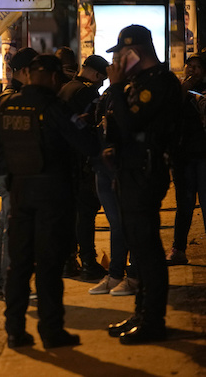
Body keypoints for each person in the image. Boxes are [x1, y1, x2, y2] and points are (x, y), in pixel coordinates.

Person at [0, 54, 100, 349]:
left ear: (28, 75)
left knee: (19, 266)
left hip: (20, 194)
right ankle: (51, 331)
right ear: (54, 79)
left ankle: (15, 331)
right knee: (50, 265)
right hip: (53, 195)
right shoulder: (56, 108)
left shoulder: (8, 106)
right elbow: (88, 145)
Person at [103, 24, 182, 345]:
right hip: (130, 170)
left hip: (145, 172)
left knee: (147, 249)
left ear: (135, 51)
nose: (118, 60)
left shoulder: (159, 82)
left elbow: (132, 121)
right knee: (138, 245)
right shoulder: (138, 82)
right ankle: (141, 313)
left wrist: (117, 86)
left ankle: (153, 321)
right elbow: (117, 123)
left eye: (122, 53)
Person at [0, 46, 38, 300]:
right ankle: (9, 285)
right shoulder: (16, 99)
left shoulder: (4, 97)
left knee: (5, 227)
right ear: (27, 71)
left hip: (4, 172)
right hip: (12, 173)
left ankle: (0, 283)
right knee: (11, 229)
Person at [58, 55, 110, 282]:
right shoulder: (87, 93)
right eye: (102, 80)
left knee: (71, 214)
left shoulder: (66, 88)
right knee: (86, 213)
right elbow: (92, 128)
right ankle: (88, 261)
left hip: (64, 161)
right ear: (98, 75)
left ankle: (69, 261)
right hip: (82, 161)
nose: (100, 85)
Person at [89, 64, 139, 297]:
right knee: (116, 224)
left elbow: (129, 127)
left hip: (123, 167)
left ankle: (132, 276)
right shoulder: (109, 93)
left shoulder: (131, 91)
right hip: (104, 165)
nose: (112, 67)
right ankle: (117, 274)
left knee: (127, 223)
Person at [166, 53, 206, 265]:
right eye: (190, 66)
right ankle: (178, 249)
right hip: (183, 156)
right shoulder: (178, 89)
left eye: (198, 67)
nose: (193, 70)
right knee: (185, 204)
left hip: (203, 155)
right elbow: (171, 109)